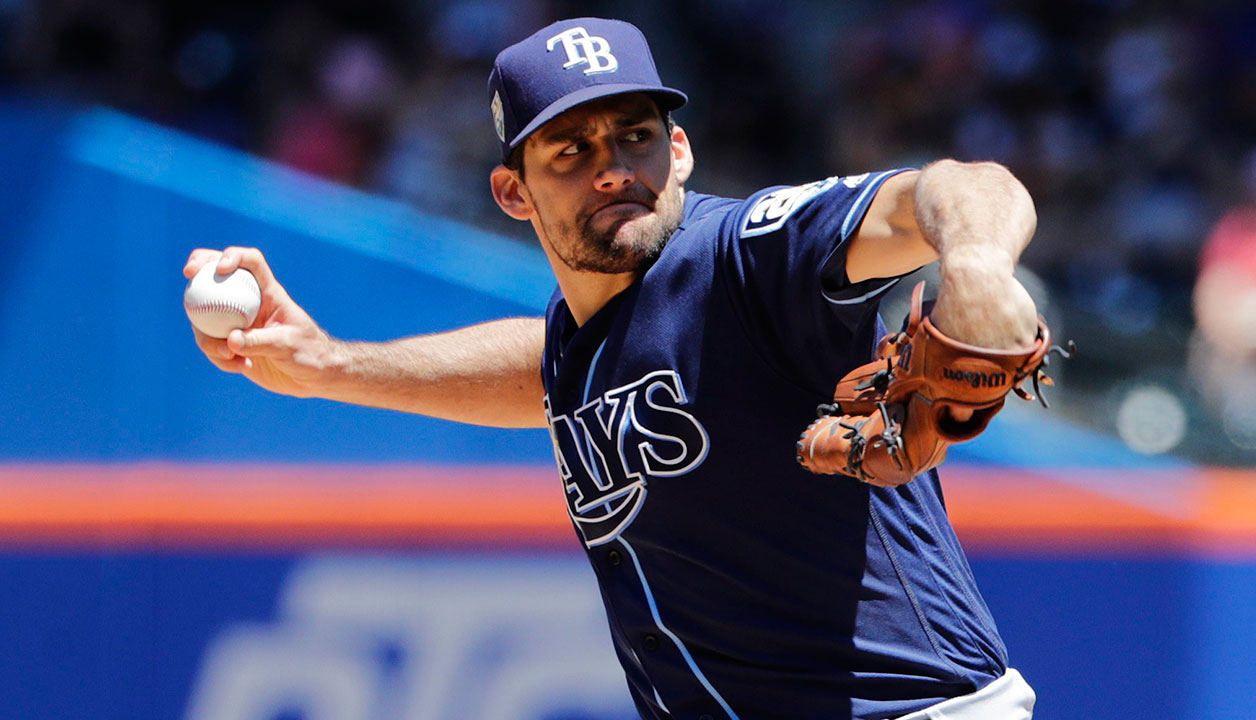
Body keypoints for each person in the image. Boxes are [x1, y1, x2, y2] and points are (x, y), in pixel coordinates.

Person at [186, 17, 1042, 720]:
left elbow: (962, 184)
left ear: (680, 149)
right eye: (571, 150)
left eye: (635, 137)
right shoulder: (581, 344)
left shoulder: (748, 255)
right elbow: (546, 370)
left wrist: (971, 264)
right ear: (514, 192)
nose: (613, 169)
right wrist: (328, 363)